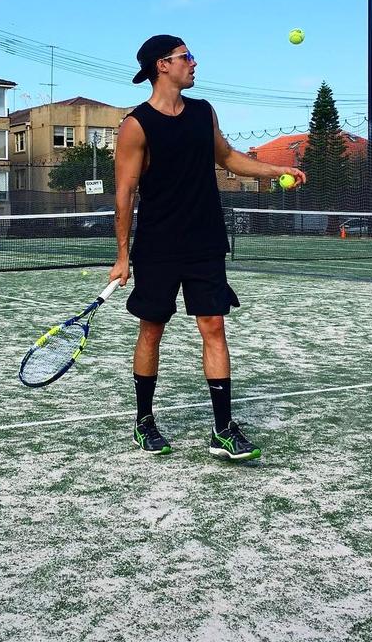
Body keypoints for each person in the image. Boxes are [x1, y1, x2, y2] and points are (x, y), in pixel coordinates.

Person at [110, 35, 306, 460]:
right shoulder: (136, 125)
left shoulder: (203, 112)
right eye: (187, 57)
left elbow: (229, 157)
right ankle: (145, 421)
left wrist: (275, 169)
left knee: (214, 326)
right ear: (163, 65)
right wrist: (123, 254)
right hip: (158, 245)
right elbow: (124, 193)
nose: (194, 63)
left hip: (205, 241)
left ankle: (222, 429)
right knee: (152, 330)